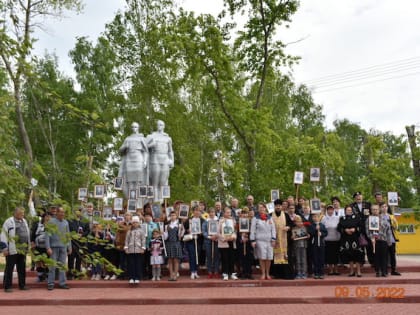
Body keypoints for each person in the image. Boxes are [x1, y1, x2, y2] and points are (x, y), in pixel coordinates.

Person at [1, 207, 31, 292]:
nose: (22, 215)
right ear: (15, 213)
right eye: (21, 213)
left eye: (23, 213)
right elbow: (3, 235)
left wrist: (28, 245)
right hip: (12, 249)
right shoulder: (9, 221)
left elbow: (27, 233)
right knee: (9, 268)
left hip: (22, 249)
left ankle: (22, 285)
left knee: (21, 268)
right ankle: (8, 287)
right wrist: (4, 248)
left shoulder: (24, 221)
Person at [118, 122, 149, 199]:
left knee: (138, 181)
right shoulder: (128, 139)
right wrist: (125, 146)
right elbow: (120, 151)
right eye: (133, 127)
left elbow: (146, 151)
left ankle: (138, 200)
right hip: (129, 160)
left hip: (138, 160)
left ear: (138, 128)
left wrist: (145, 161)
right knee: (130, 181)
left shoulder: (142, 138)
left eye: (135, 127)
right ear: (131, 128)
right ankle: (131, 200)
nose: (134, 128)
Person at [147, 120, 174, 202]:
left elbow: (170, 151)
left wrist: (172, 160)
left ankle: (161, 203)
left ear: (164, 126)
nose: (160, 126)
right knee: (155, 183)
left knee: (163, 183)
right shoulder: (151, 136)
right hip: (155, 159)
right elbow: (144, 148)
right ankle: (154, 202)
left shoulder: (168, 138)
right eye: (158, 125)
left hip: (165, 159)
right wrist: (151, 145)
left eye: (161, 125)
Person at [45, 207, 72, 290]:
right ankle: (50, 283)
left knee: (62, 266)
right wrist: (48, 247)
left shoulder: (66, 223)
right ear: (57, 213)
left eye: (64, 212)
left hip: (63, 247)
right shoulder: (51, 222)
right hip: (53, 247)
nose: (62, 214)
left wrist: (69, 247)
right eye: (61, 212)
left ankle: (62, 283)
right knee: (52, 266)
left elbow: (68, 235)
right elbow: (47, 235)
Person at [250, 203, 276, 280]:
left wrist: (273, 239)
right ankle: (263, 273)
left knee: (269, 258)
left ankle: (268, 274)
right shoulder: (255, 218)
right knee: (262, 257)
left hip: (269, 241)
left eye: (263, 207)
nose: (261, 209)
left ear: (265, 208)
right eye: (260, 208)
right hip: (260, 240)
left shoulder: (270, 218)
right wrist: (253, 240)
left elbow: (273, 229)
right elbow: (252, 230)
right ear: (258, 209)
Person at [337, 205, 364, 277]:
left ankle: (358, 271)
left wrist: (355, 229)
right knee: (349, 255)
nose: (349, 211)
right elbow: (339, 228)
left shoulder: (357, 217)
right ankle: (351, 271)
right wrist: (345, 230)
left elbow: (361, 227)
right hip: (346, 239)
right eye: (347, 210)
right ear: (345, 211)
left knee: (357, 254)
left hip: (355, 238)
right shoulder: (342, 218)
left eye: (350, 210)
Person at [366, 204, 392, 277]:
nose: (375, 211)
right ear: (371, 210)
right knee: (376, 257)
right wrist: (371, 238)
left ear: (379, 210)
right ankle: (378, 271)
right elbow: (367, 230)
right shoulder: (369, 219)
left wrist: (389, 241)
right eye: (373, 209)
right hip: (374, 241)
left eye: (376, 209)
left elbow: (388, 230)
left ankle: (384, 271)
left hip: (384, 240)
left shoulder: (384, 218)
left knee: (384, 256)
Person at [271, 199, 294, 279]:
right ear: (274, 206)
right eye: (276, 206)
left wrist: (288, 227)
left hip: (284, 239)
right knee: (275, 256)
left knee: (285, 256)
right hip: (274, 240)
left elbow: (291, 224)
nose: (278, 207)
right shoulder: (271, 215)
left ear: (281, 206)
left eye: (279, 206)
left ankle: (286, 274)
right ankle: (277, 274)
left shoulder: (286, 215)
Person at [183, 206, 204, 279]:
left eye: (198, 211)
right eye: (195, 210)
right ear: (193, 212)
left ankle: (196, 271)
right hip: (191, 240)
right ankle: (192, 271)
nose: (197, 212)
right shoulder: (189, 220)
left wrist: (201, 232)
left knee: (197, 256)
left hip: (199, 240)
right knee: (192, 255)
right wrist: (188, 230)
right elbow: (184, 229)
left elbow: (205, 230)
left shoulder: (202, 220)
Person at [67, 209, 89, 280]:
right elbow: (68, 230)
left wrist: (82, 235)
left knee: (79, 259)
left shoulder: (85, 221)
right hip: (72, 242)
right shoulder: (70, 221)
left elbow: (88, 230)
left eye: (80, 211)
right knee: (71, 259)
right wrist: (73, 235)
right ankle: (70, 273)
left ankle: (77, 273)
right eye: (77, 210)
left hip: (81, 243)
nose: (78, 212)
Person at [124, 216, 146, 284]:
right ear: (132, 223)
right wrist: (126, 248)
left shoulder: (141, 231)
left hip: (138, 250)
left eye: (136, 222)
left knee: (138, 264)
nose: (135, 224)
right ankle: (131, 277)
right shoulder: (129, 231)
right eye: (134, 222)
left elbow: (143, 240)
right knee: (131, 264)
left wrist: (143, 248)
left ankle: (137, 277)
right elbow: (127, 240)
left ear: (138, 223)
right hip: (130, 250)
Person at [381, 203, 401, 275]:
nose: (384, 208)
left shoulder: (391, 216)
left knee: (392, 255)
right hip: (383, 239)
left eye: (385, 206)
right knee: (384, 255)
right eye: (382, 207)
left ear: (387, 208)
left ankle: (393, 270)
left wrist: (395, 222)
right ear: (380, 208)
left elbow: (396, 227)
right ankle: (384, 271)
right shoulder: (378, 217)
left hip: (391, 238)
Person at [164, 211, 184, 281]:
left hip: (176, 243)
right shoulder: (167, 226)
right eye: (171, 215)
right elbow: (166, 237)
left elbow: (180, 236)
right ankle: (171, 275)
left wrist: (181, 231)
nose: (172, 217)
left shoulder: (179, 225)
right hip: (169, 243)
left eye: (174, 215)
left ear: (176, 216)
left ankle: (175, 275)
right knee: (170, 260)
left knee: (176, 260)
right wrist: (162, 233)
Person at [218, 208, 237, 281]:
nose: (228, 214)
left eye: (229, 212)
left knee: (232, 258)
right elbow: (218, 232)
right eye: (227, 212)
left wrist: (233, 237)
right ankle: (225, 274)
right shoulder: (221, 221)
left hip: (231, 241)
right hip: (224, 242)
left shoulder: (233, 220)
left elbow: (235, 231)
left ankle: (232, 273)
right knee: (224, 258)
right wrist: (224, 239)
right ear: (224, 213)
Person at [31, 212, 51, 282]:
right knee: (39, 261)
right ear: (43, 217)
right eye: (46, 216)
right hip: (38, 246)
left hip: (47, 247)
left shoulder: (52, 226)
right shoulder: (37, 225)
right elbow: (33, 234)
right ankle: (40, 276)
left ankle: (48, 276)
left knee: (47, 262)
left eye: (49, 217)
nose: (48, 218)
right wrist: (32, 243)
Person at [321, 205, 341, 275]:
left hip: (336, 239)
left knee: (335, 255)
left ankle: (336, 270)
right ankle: (331, 270)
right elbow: (322, 228)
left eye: (332, 210)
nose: (330, 211)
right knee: (329, 255)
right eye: (329, 210)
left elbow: (340, 228)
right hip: (327, 239)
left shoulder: (337, 218)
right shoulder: (324, 218)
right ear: (327, 210)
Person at [202, 207, 220, 278]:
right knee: (209, 256)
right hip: (208, 241)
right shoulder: (205, 221)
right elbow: (204, 232)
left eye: (213, 212)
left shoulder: (218, 220)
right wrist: (210, 237)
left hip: (216, 240)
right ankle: (209, 271)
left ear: (214, 213)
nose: (212, 214)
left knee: (216, 256)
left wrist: (216, 236)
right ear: (208, 213)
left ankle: (216, 271)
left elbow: (220, 229)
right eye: (210, 212)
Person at [309, 213, 328, 279]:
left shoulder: (322, 225)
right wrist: (315, 230)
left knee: (321, 258)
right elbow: (310, 233)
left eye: (316, 216)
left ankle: (321, 272)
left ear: (319, 217)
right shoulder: (311, 225)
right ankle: (316, 272)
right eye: (313, 217)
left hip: (321, 244)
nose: (315, 218)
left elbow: (326, 233)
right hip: (314, 244)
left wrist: (321, 233)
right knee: (315, 258)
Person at [237, 207, 253, 280]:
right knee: (242, 258)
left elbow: (253, 232)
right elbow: (236, 233)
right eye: (243, 213)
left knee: (249, 258)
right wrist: (241, 238)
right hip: (241, 243)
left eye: (246, 213)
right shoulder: (238, 223)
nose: (244, 215)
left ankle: (249, 273)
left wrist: (248, 237)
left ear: (248, 214)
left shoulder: (251, 222)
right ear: (241, 214)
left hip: (248, 243)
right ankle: (243, 272)